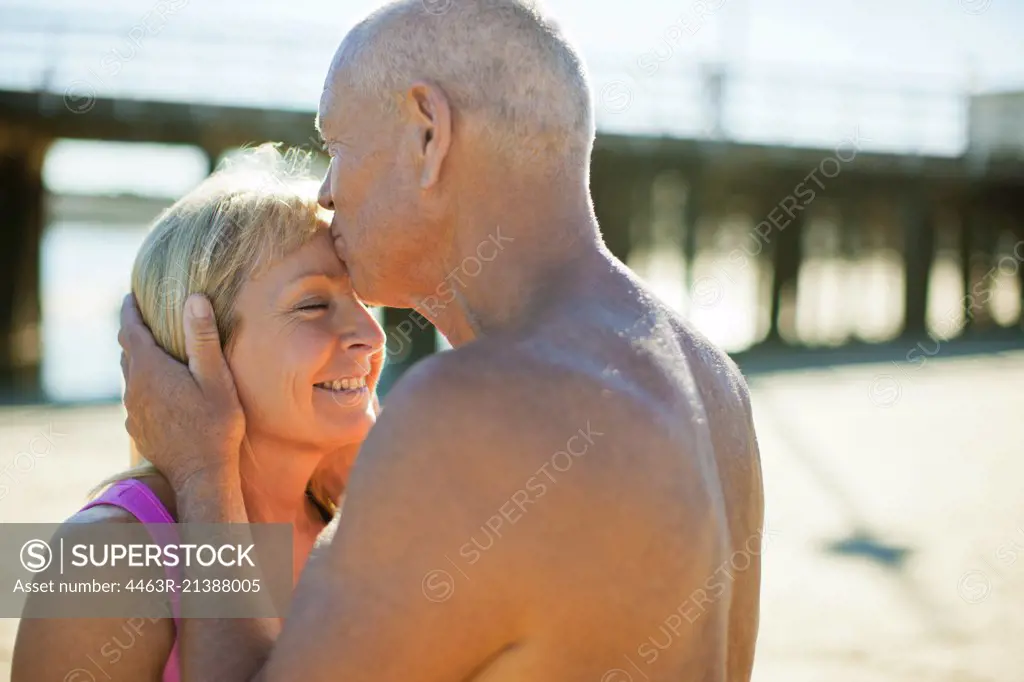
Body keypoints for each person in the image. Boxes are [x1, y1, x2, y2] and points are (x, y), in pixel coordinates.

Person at [117, 1, 766, 680]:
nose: (328, 192)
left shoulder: (469, 410)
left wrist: (200, 472)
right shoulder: (713, 380)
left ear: (428, 135)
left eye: (336, 147)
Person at [12, 145, 385, 682]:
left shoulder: (357, 525)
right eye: (313, 305)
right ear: (196, 349)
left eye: (363, 302)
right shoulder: (108, 557)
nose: (371, 337)